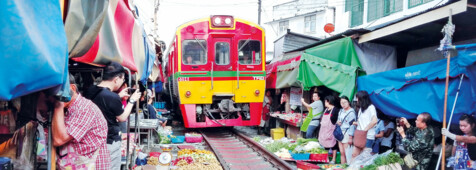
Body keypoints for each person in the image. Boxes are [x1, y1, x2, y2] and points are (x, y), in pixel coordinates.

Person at [83, 62, 141, 170]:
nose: (121, 82)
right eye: (122, 80)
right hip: (109, 139)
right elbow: (122, 117)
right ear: (116, 79)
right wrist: (132, 100)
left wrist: (118, 96)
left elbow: (102, 105)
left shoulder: (90, 91)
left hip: (91, 139)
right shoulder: (112, 97)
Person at [52, 74, 110, 169]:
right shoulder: (69, 108)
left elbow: (59, 140)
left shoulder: (85, 108)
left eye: (57, 93)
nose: (53, 98)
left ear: (72, 88)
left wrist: (58, 103)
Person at [350, 91, 378, 160]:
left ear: (362, 99)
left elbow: (374, 121)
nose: (356, 100)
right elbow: (363, 122)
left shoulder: (371, 107)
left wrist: (364, 130)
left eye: (357, 98)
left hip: (368, 136)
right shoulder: (360, 109)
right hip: (360, 135)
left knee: (364, 158)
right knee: (354, 155)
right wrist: (356, 123)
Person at [318, 96, 340, 164]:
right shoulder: (326, 109)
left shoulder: (335, 109)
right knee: (325, 145)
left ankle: (333, 159)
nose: (325, 103)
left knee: (333, 145)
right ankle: (326, 158)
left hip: (331, 130)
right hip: (324, 130)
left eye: (325, 101)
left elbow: (337, 120)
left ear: (328, 101)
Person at [336, 96, 356, 164]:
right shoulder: (341, 111)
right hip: (340, 133)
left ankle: (348, 167)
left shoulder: (351, 112)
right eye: (341, 103)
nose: (343, 104)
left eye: (345, 102)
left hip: (347, 133)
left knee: (347, 153)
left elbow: (352, 125)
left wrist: (350, 137)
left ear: (348, 102)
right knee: (342, 152)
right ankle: (342, 167)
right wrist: (337, 122)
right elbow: (338, 120)